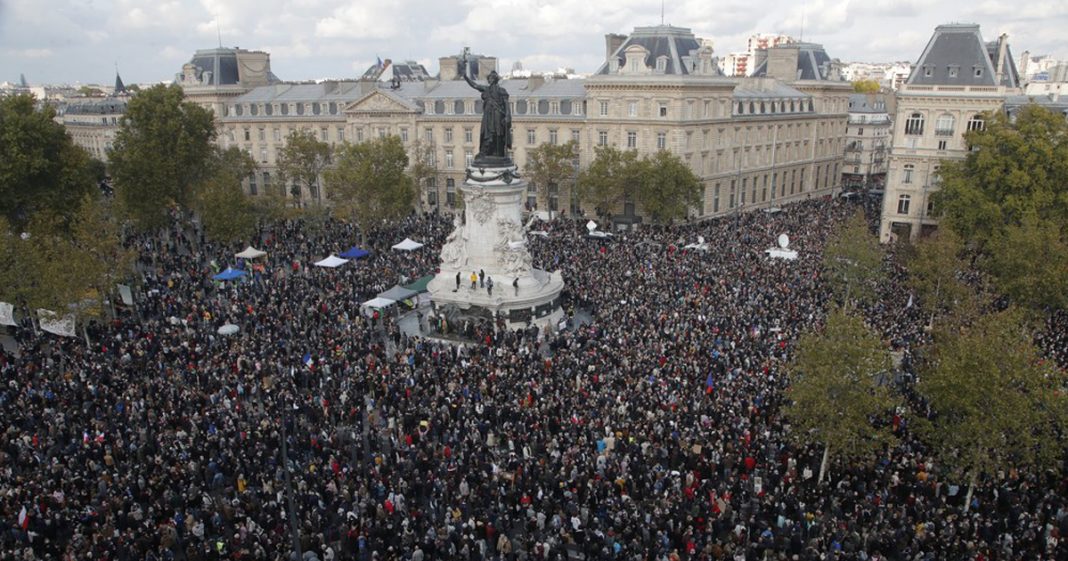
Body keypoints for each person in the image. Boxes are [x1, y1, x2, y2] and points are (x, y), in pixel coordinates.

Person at [462, 56, 511, 162]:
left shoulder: (502, 91)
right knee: (487, 132)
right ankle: (486, 151)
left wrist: (507, 115)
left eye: (490, 78)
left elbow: (507, 105)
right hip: (488, 115)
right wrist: (466, 77)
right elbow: (474, 85)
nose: (489, 80)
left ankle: (499, 153)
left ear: (494, 79)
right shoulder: (486, 89)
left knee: (498, 133)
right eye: (489, 78)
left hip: (497, 114)